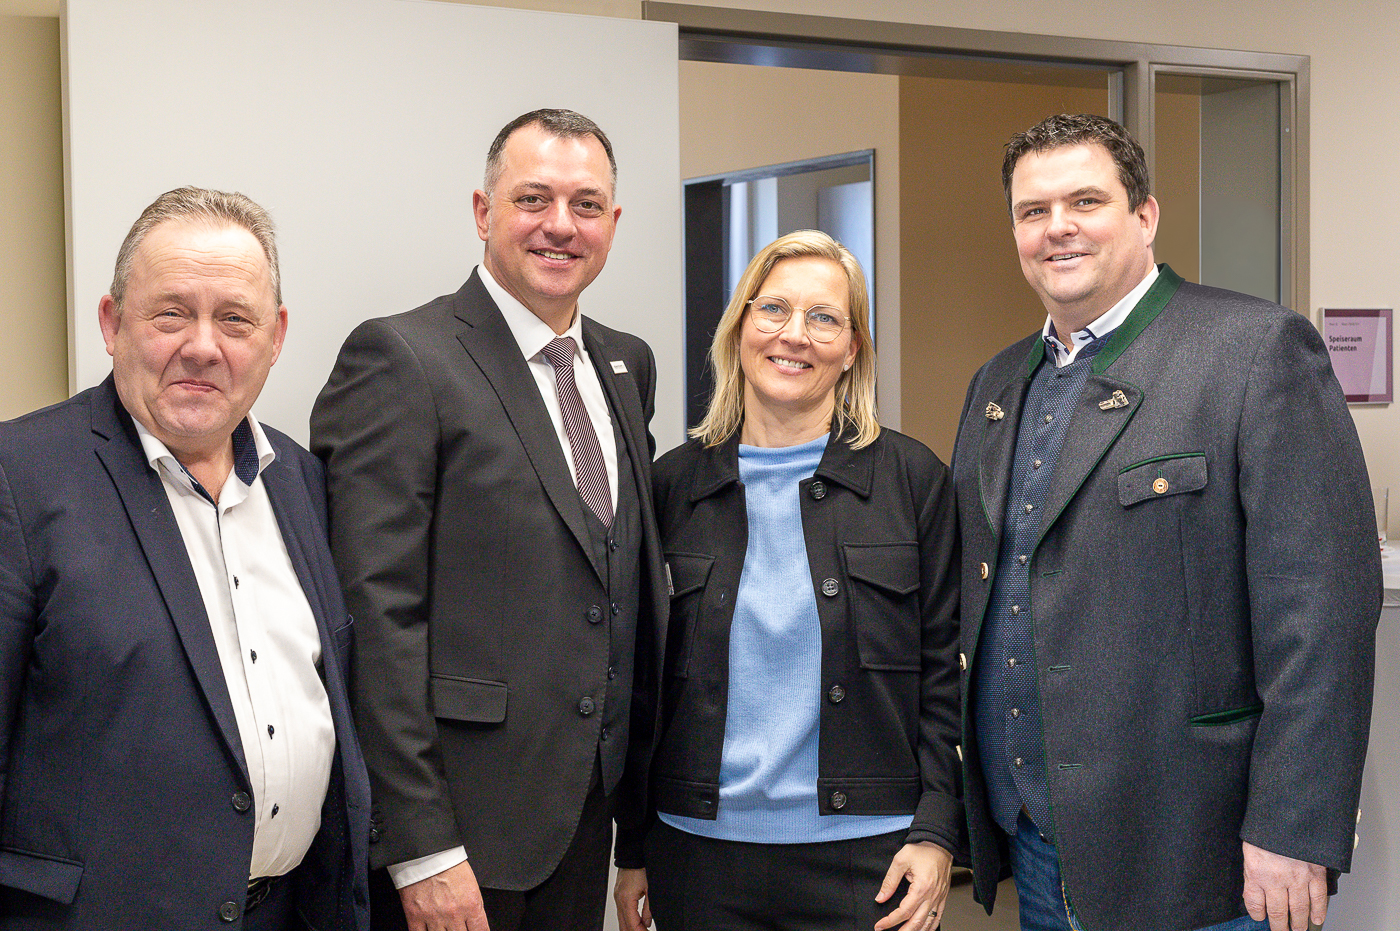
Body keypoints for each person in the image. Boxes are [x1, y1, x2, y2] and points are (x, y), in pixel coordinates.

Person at [953, 112, 1381, 931]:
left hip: (1202, 854)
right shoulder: (997, 384)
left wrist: (1294, 826)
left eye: (1085, 201)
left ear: (1144, 216)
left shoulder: (1255, 350)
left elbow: (1322, 616)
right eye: (1033, 210)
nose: (1057, 227)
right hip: (1039, 843)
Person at [311, 109, 668, 931]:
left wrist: (636, 823)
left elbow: (617, 589)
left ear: (612, 223)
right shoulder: (402, 358)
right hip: (456, 838)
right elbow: (373, 617)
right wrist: (421, 847)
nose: (560, 225)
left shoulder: (626, 364)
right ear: (483, 211)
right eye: (533, 198)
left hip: (581, 817)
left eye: (586, 205)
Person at [0, 187, 370, 930]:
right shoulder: (20, 475)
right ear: (112, 323)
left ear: (275, 336)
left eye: (235, 319)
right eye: (171, 313)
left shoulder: (302, 482)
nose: (204, 346)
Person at [613, 230, 961, 931]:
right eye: (773, 309)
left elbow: (944, 674)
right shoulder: (670, 486)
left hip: (870, 858)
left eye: (824, 318)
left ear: (852, 348)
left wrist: (936, 829)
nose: (794, 335)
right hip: (697, 856)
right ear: (740, 326)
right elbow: (638, 680)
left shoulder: (912, 480)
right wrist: (634, 845)